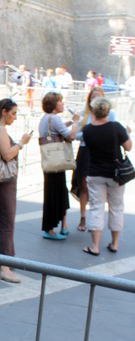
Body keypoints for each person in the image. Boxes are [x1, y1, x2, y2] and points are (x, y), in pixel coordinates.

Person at [0, 98, 33, 283]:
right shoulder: (0, 129)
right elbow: (7, 154)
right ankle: (4, 266)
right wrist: (21, 142)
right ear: (3, 111)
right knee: (5, 220)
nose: (15, 117)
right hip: (2, 182)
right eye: (13, 113)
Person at [82, 96, 131, 255]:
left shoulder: (88, 129)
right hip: (115, 173)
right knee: (116, 207)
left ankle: (94, 246)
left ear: (94, 111)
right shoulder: (116, 127)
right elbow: (128, 147)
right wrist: (126, 134)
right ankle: (114, 243)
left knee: (96, 207)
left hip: (95, 172)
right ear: (108, 111)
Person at [73, 85, 116, 232]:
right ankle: (83, 217)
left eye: (99, 97)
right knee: (84, 185)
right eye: (93, 97)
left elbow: (113, 130)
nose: (96, 100)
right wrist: (88, 134)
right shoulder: (85, 114)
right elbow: (77, 134)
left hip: (103, 152)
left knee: (100, 188)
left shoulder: (111, 114)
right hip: (86, 151)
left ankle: (95, 221)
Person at [38, 92, 79, 240]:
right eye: (60, 102)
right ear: (54, 105)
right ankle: (50, 229)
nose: (62, 104)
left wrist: (67, 124)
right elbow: (71, 136)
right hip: (56, 163)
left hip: (51, 162)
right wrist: (75, 122)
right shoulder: (54, 118)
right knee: (56, 194)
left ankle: (62, 226)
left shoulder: (47, 119)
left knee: (57, 192)